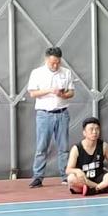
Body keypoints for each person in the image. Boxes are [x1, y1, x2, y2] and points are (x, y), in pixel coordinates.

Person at [27, 46, 76, 188]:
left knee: (63, 147)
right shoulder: (37, 73)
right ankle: (38, 177)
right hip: (44, 114)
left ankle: (65, 176)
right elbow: (32, 93)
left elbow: (71, 92)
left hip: (62, 113)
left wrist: (62, 94)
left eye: (58, 63)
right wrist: (50, 90)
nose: (55, 65)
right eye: (52, 63)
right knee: (41, 147)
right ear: (46, 60)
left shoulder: (66, 72)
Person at [65, 117, 108, 195]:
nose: (94, 132)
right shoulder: (76, 148)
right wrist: (77, 171)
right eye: (91, 129)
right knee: (71, 179)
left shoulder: (104, 146)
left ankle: (96, 189)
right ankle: (106, 187)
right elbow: (68, 170)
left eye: (97, 129)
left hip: (101, 178)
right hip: (85, 180)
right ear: (84, 133)